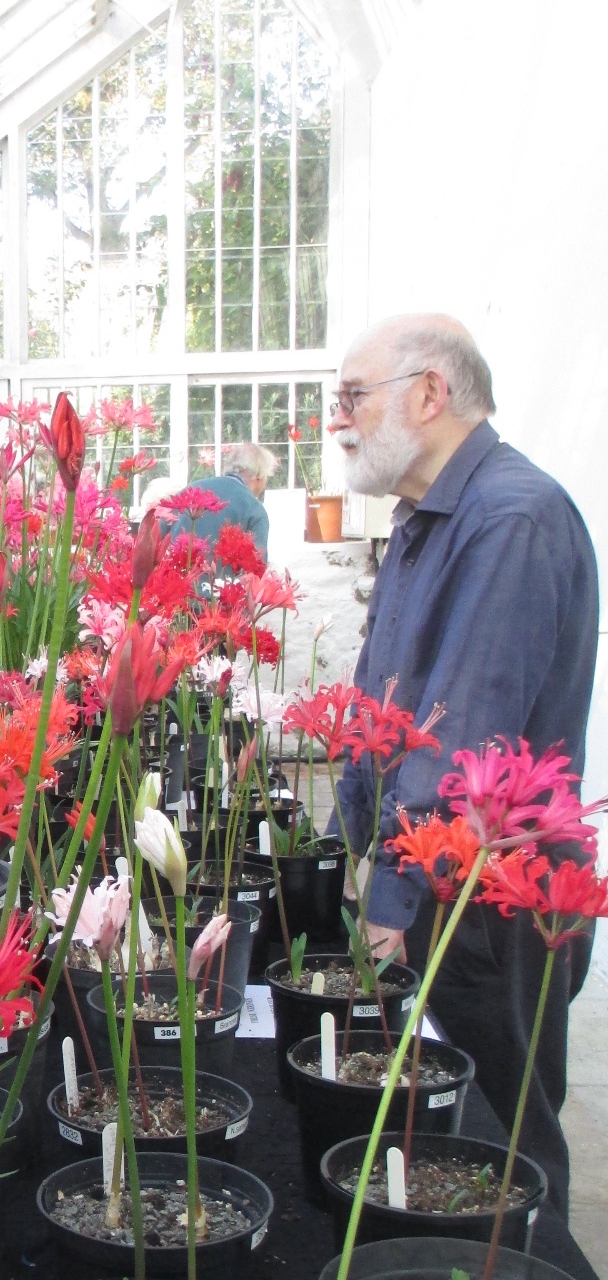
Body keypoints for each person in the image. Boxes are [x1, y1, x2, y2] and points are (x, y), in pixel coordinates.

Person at [329, 313, 599, 1213]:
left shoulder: (511, 520)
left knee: (507, 1130)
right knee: (453, 1129)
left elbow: (463, 741)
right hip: (441, 880)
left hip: (491, 899)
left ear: (431, 393)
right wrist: (341, 842)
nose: (340, 419)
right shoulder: (427, 519)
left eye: (353, 396)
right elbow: (384, 705)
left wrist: (389, 900)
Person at [171, 443, 275, 555]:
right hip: (222, 572)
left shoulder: (191, 489)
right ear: (260, 476)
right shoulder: (254, 509)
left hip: (176, 570)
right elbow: (257, 565)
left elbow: (157, 538)